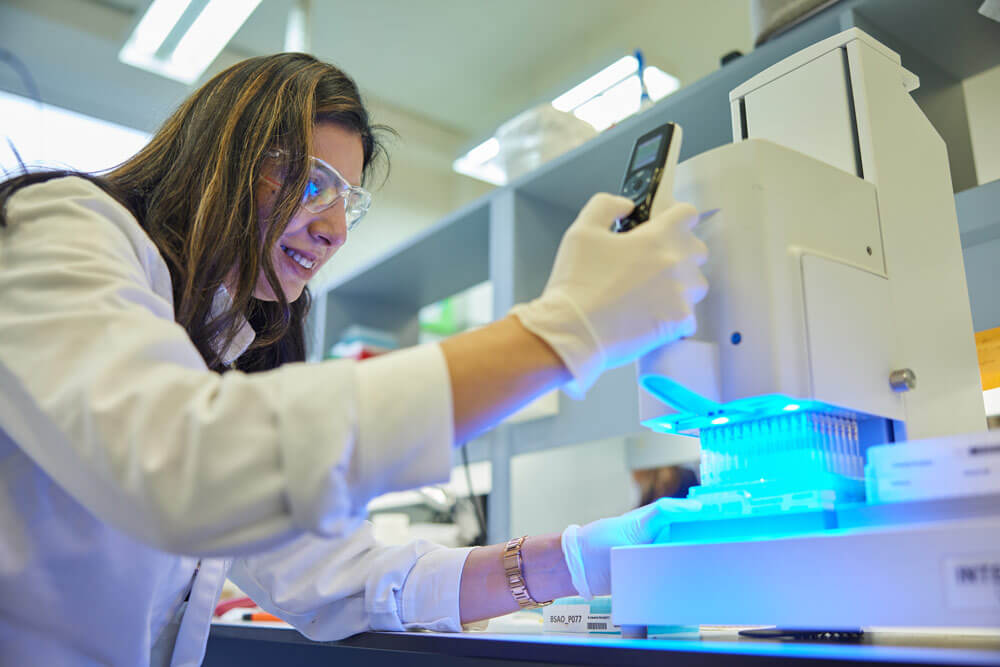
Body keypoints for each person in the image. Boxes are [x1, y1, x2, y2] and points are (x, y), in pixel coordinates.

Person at [0, 53, 707, 666]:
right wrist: (565, 329)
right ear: (223, 157)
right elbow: (183, 463)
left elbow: (347, 577)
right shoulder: (61, 229)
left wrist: (585, 558)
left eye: (349, 201)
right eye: (313, 184)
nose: (336, 229)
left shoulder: (226, 350)